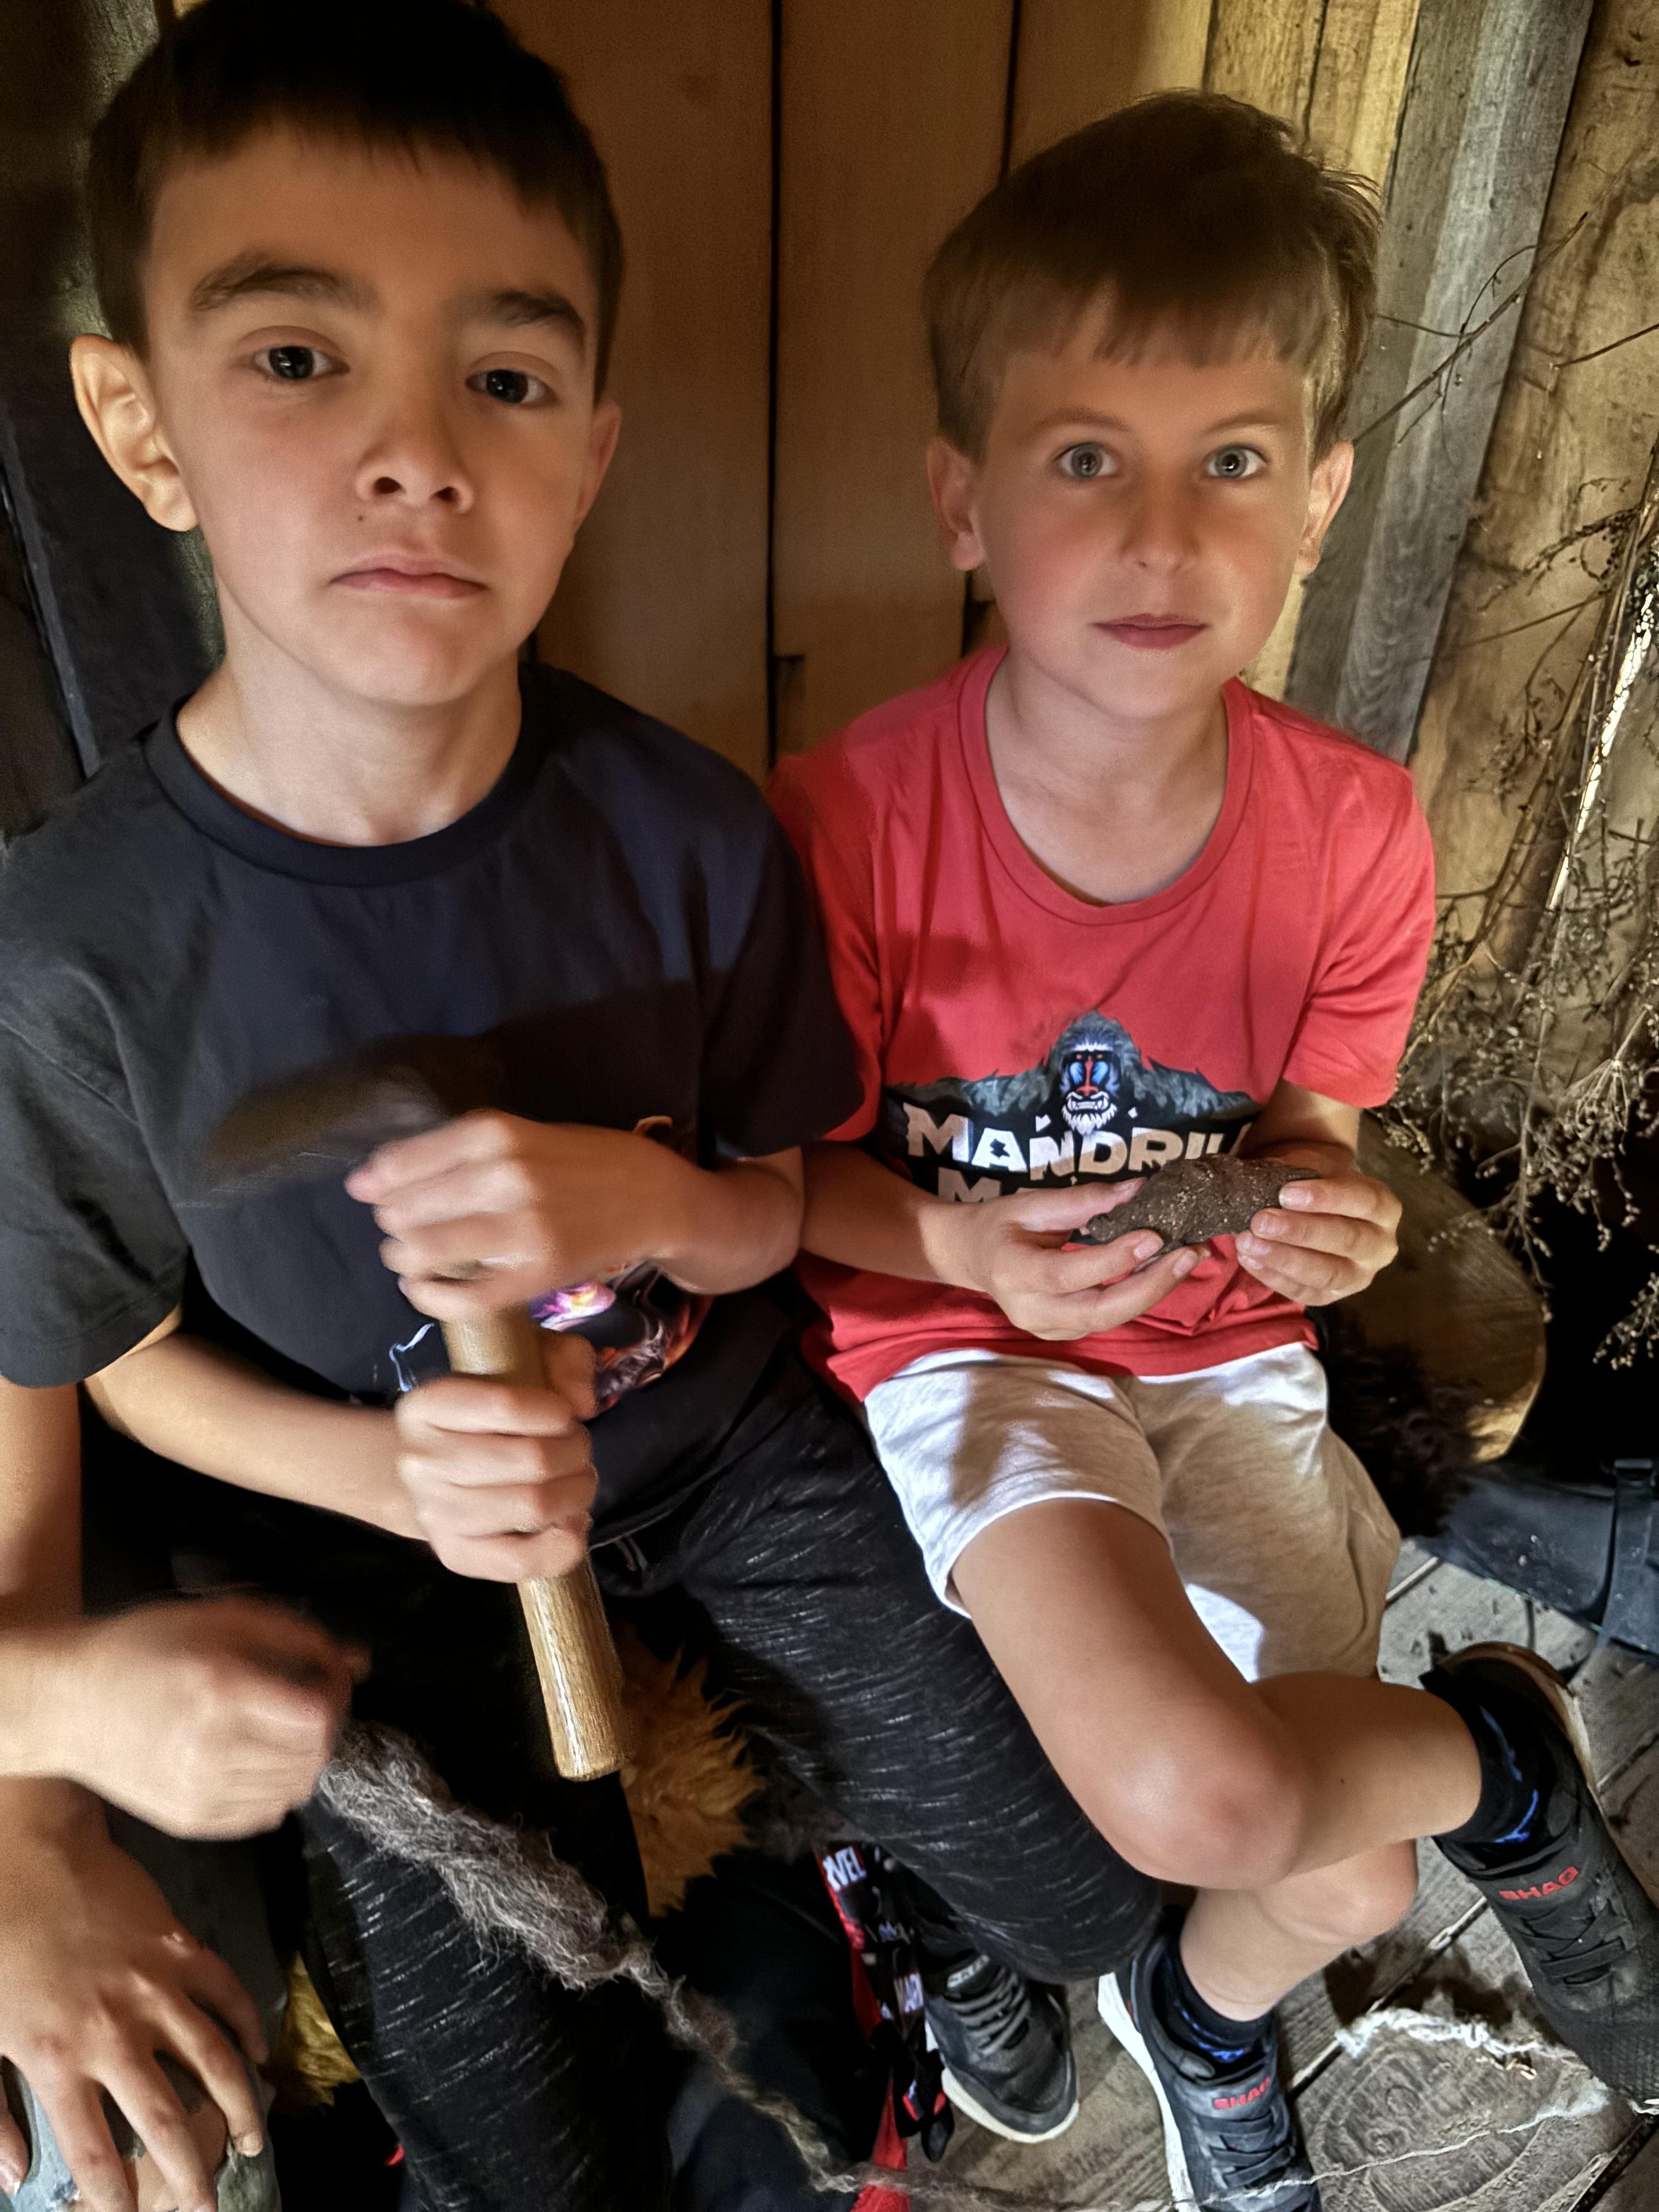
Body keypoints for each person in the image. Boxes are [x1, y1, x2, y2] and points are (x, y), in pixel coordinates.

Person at [0, 6, 1182, 2203]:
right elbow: (113, 1357)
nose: (418, 454)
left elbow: (785, 1193)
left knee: (1096, 1896)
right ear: (138, 425)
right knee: (525, 2160)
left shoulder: (688, 834)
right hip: (374, 1557)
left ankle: (866, 1886)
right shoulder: (77, 952)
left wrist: (638, 1199)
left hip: (724, 1449)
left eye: (507, 380)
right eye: (296, 359)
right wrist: (383, 1469)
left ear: (593, 451)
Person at [771, 93, 1659, 2212]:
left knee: (1346, 1875)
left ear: (1322, 498)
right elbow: (787, 1184)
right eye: (1087, 459)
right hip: (973, 1356)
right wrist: (974, 1259)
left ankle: (1198, 2024)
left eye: (1232, 463)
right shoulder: (850, 821)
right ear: (964, 499)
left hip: (1227, 1355)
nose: (1163, 537)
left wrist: (1333, 1225)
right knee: (1197, 1798)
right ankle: (1507, 1768)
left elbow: (1310, 1137)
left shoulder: (1353, 832)